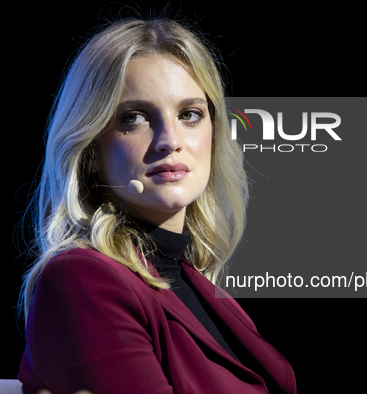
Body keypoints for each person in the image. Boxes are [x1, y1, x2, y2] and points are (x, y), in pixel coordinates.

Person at [17, 16, 296, 394]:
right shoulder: (81, 279)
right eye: (134, 118)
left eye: (189, 115)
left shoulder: (200, 286)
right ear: (91, 150)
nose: (170, 140)